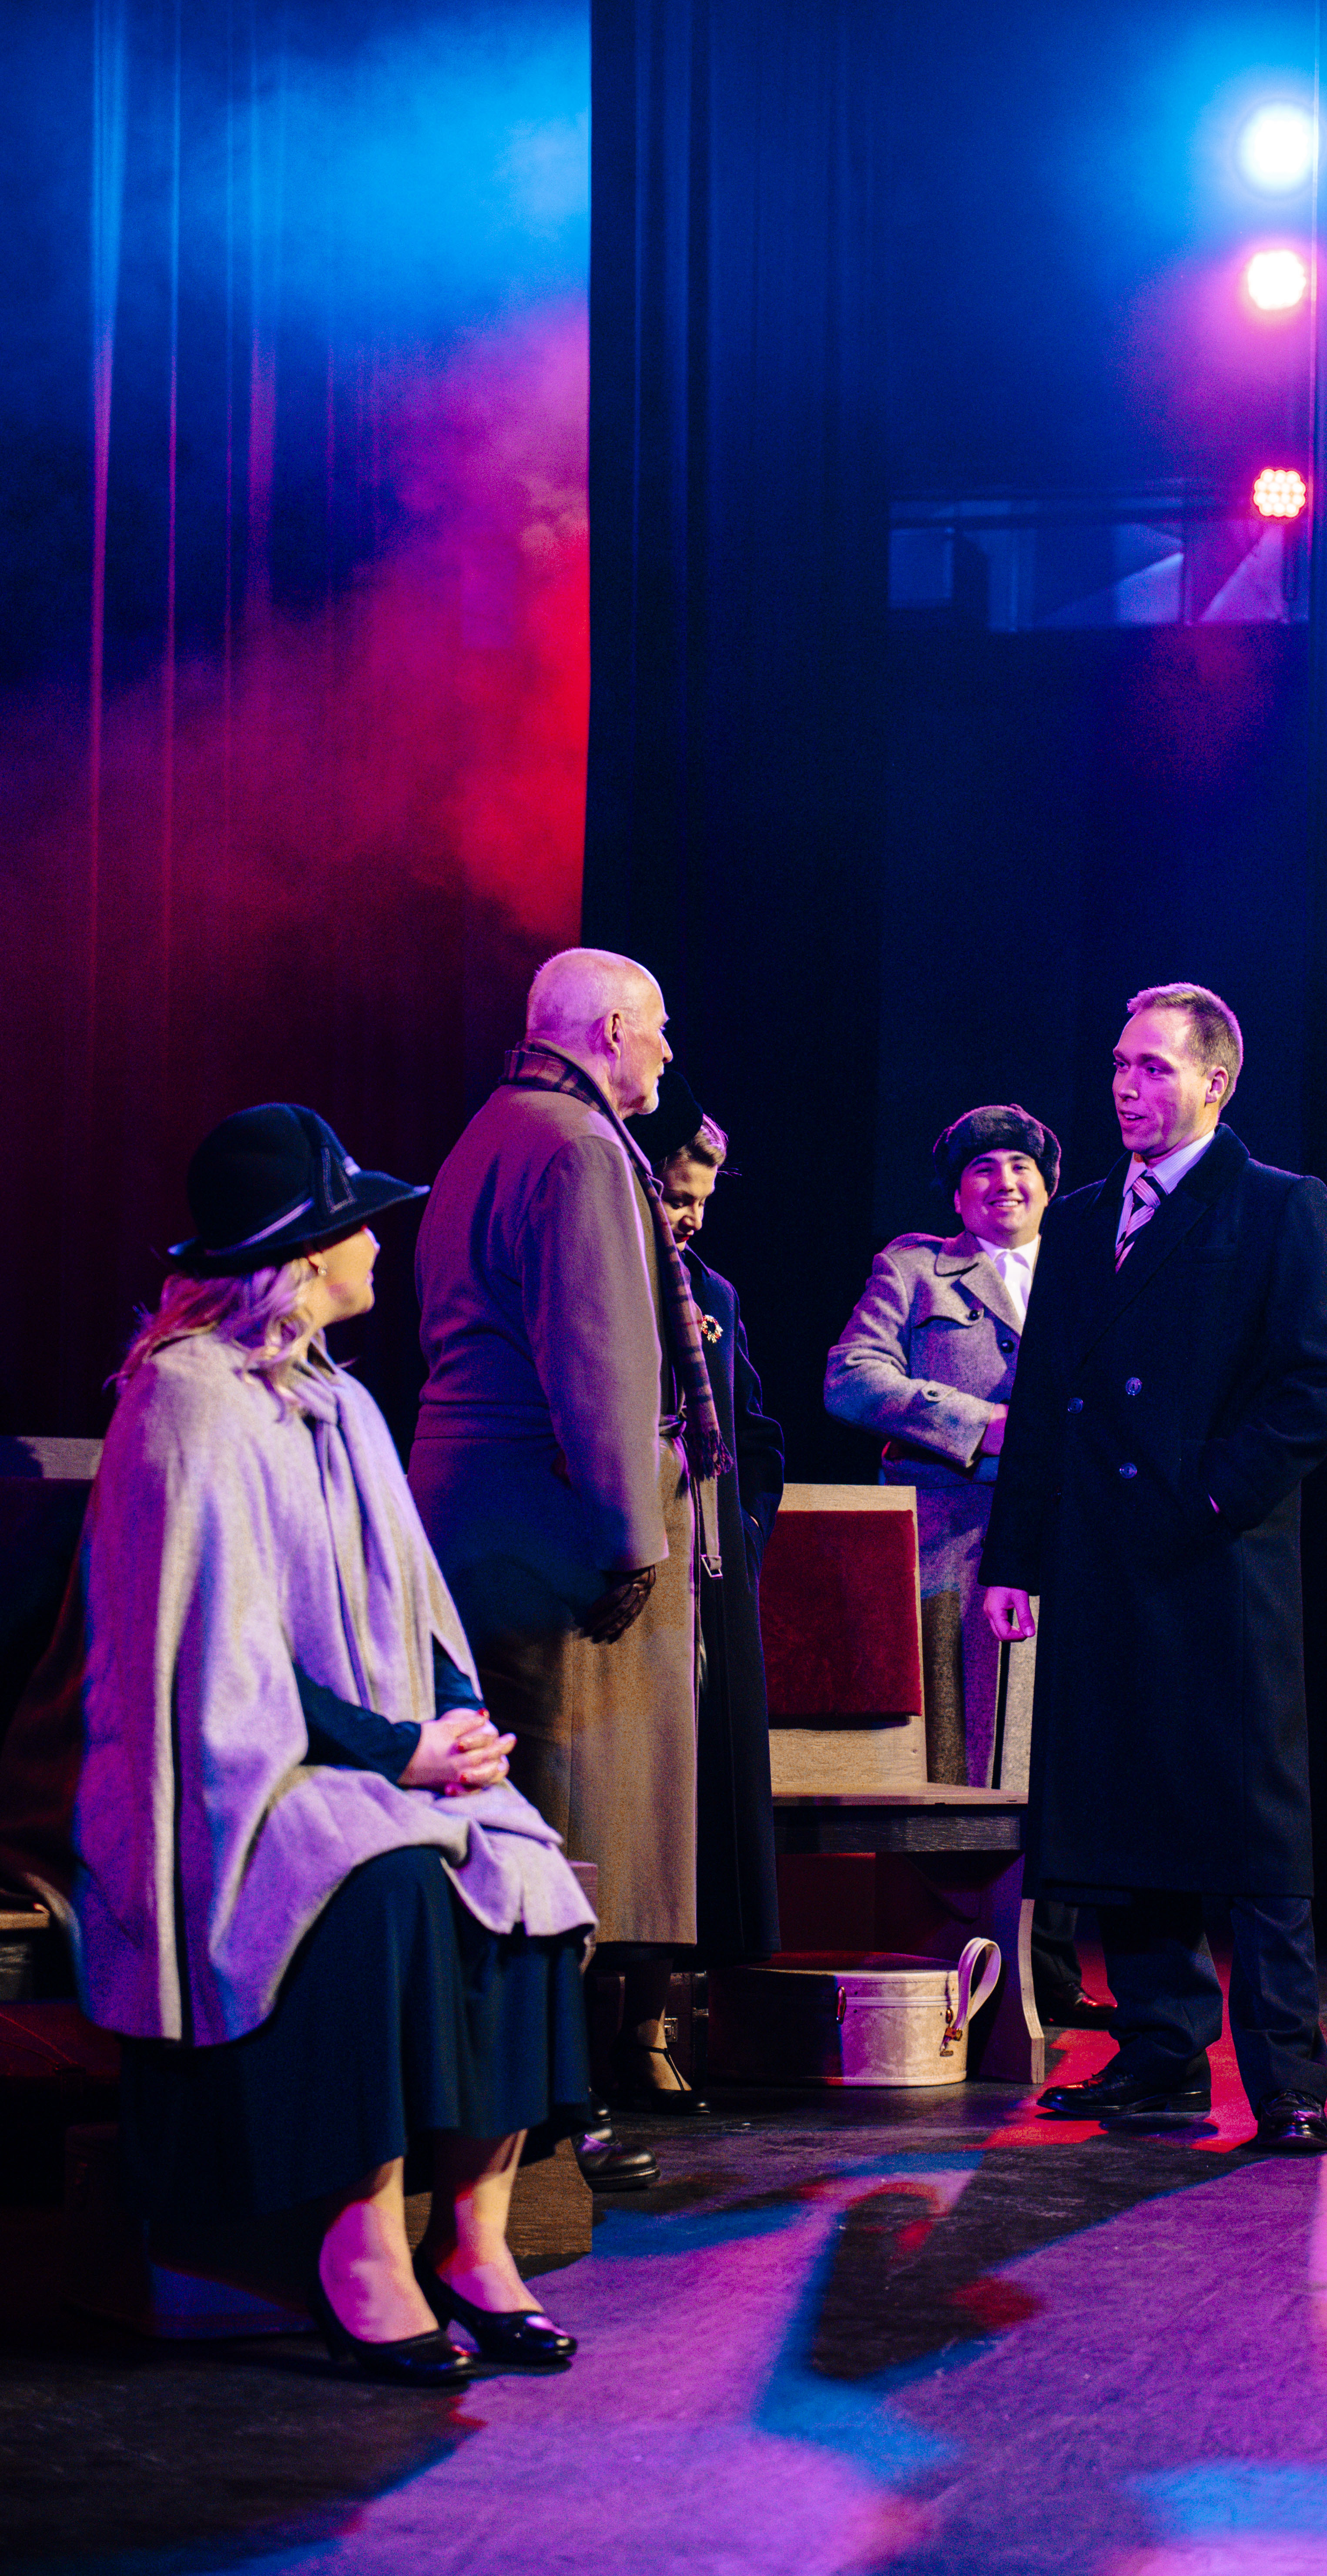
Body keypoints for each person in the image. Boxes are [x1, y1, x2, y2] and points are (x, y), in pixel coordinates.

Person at [0, 1104, 594, 2384]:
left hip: (361, 1752)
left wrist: (457, 1730)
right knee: (382, 1884)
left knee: (521, 1871)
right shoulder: (187, 1399)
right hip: (225, 1770)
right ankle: (359, 2245)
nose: (382, 1244)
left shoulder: (343, 1400)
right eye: (360, 1226)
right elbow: (211, 1660)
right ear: (307, 1253)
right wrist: (396, 1752)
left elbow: (416, 1605)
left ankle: (475, 2241)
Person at [980, 985, 1327, 2153]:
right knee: (1122, 1811)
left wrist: (1206, 1495)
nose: (1125, 1087)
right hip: (1099, 1561)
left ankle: (1287, 2080)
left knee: (1253, 1826)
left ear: (1214, 1081)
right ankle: (1160, 2058)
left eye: (1151, 1066)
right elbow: (1041, 1403)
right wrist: (1015, 1558)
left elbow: (1320, 1384)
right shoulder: (1081, 1219)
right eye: (1118, 1065)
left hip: (1217, 1565)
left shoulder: (1279, 1204)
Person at [410, 949, 726, 2117]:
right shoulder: (582, 1147)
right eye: (658, 1027)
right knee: (566, 1810)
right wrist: (632, 1537)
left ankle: (522, 2085)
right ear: (609, 1031)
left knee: (520, 1795)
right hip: (552, 1518)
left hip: (475, 1504)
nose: (668, 1049)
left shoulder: (493, 1127)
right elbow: (598, 1366)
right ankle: (546, 2097)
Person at [824, 1105, 1106, 2031]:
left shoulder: (1089, 1265)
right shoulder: (915, 1267)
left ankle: (1048, 1974)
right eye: (983, 1169)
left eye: (1021, 1166)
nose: (1005, 1182)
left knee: (1059, 1754)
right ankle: (960, 1976)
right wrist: (983, 1425)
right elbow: (851, 1378)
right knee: (968, 1757)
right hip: (958, 1546)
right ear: (956, 1194)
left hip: (1074, 1546)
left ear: (1049, 1184)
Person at [629, 1071, 784, 1961]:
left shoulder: (712, 1296)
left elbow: (756, 1436)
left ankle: (686, 2004)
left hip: (711, 1577)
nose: (692, 1219)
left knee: (708, 1806)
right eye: (679, 1197)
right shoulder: (616, 1279)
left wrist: (743, 1534)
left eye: (703, 1202)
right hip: (634, 1566)